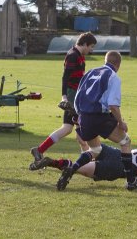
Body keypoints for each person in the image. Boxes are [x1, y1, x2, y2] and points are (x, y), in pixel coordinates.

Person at [56, 51, 136, 191]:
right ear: (118, 64)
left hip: (84, 117)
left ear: (105, 61)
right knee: (125, 141)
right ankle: (131, 181)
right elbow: (113, 106)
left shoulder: (90, 72)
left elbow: (77, 97)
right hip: (100, 117)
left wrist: (79, 117)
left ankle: (71, 169)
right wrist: (121, 122)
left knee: (95, 149)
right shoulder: (113, 77)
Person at [29, 32, 97, 169]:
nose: (92, 50)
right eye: (91, 46)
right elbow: (65, 77)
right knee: (75, 128)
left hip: (77, 95)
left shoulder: (79, 55)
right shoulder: (72, 56)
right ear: (84, 44)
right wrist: (64, 96)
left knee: (70, 129)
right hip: (72, 97)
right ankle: (87, 163)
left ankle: (40, 150)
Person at [32, 144, 137, 189]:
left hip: (115, 152)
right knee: (82, 170)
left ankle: (52, 162)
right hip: (118, 168)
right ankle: (54, 163)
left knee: (92, 150)